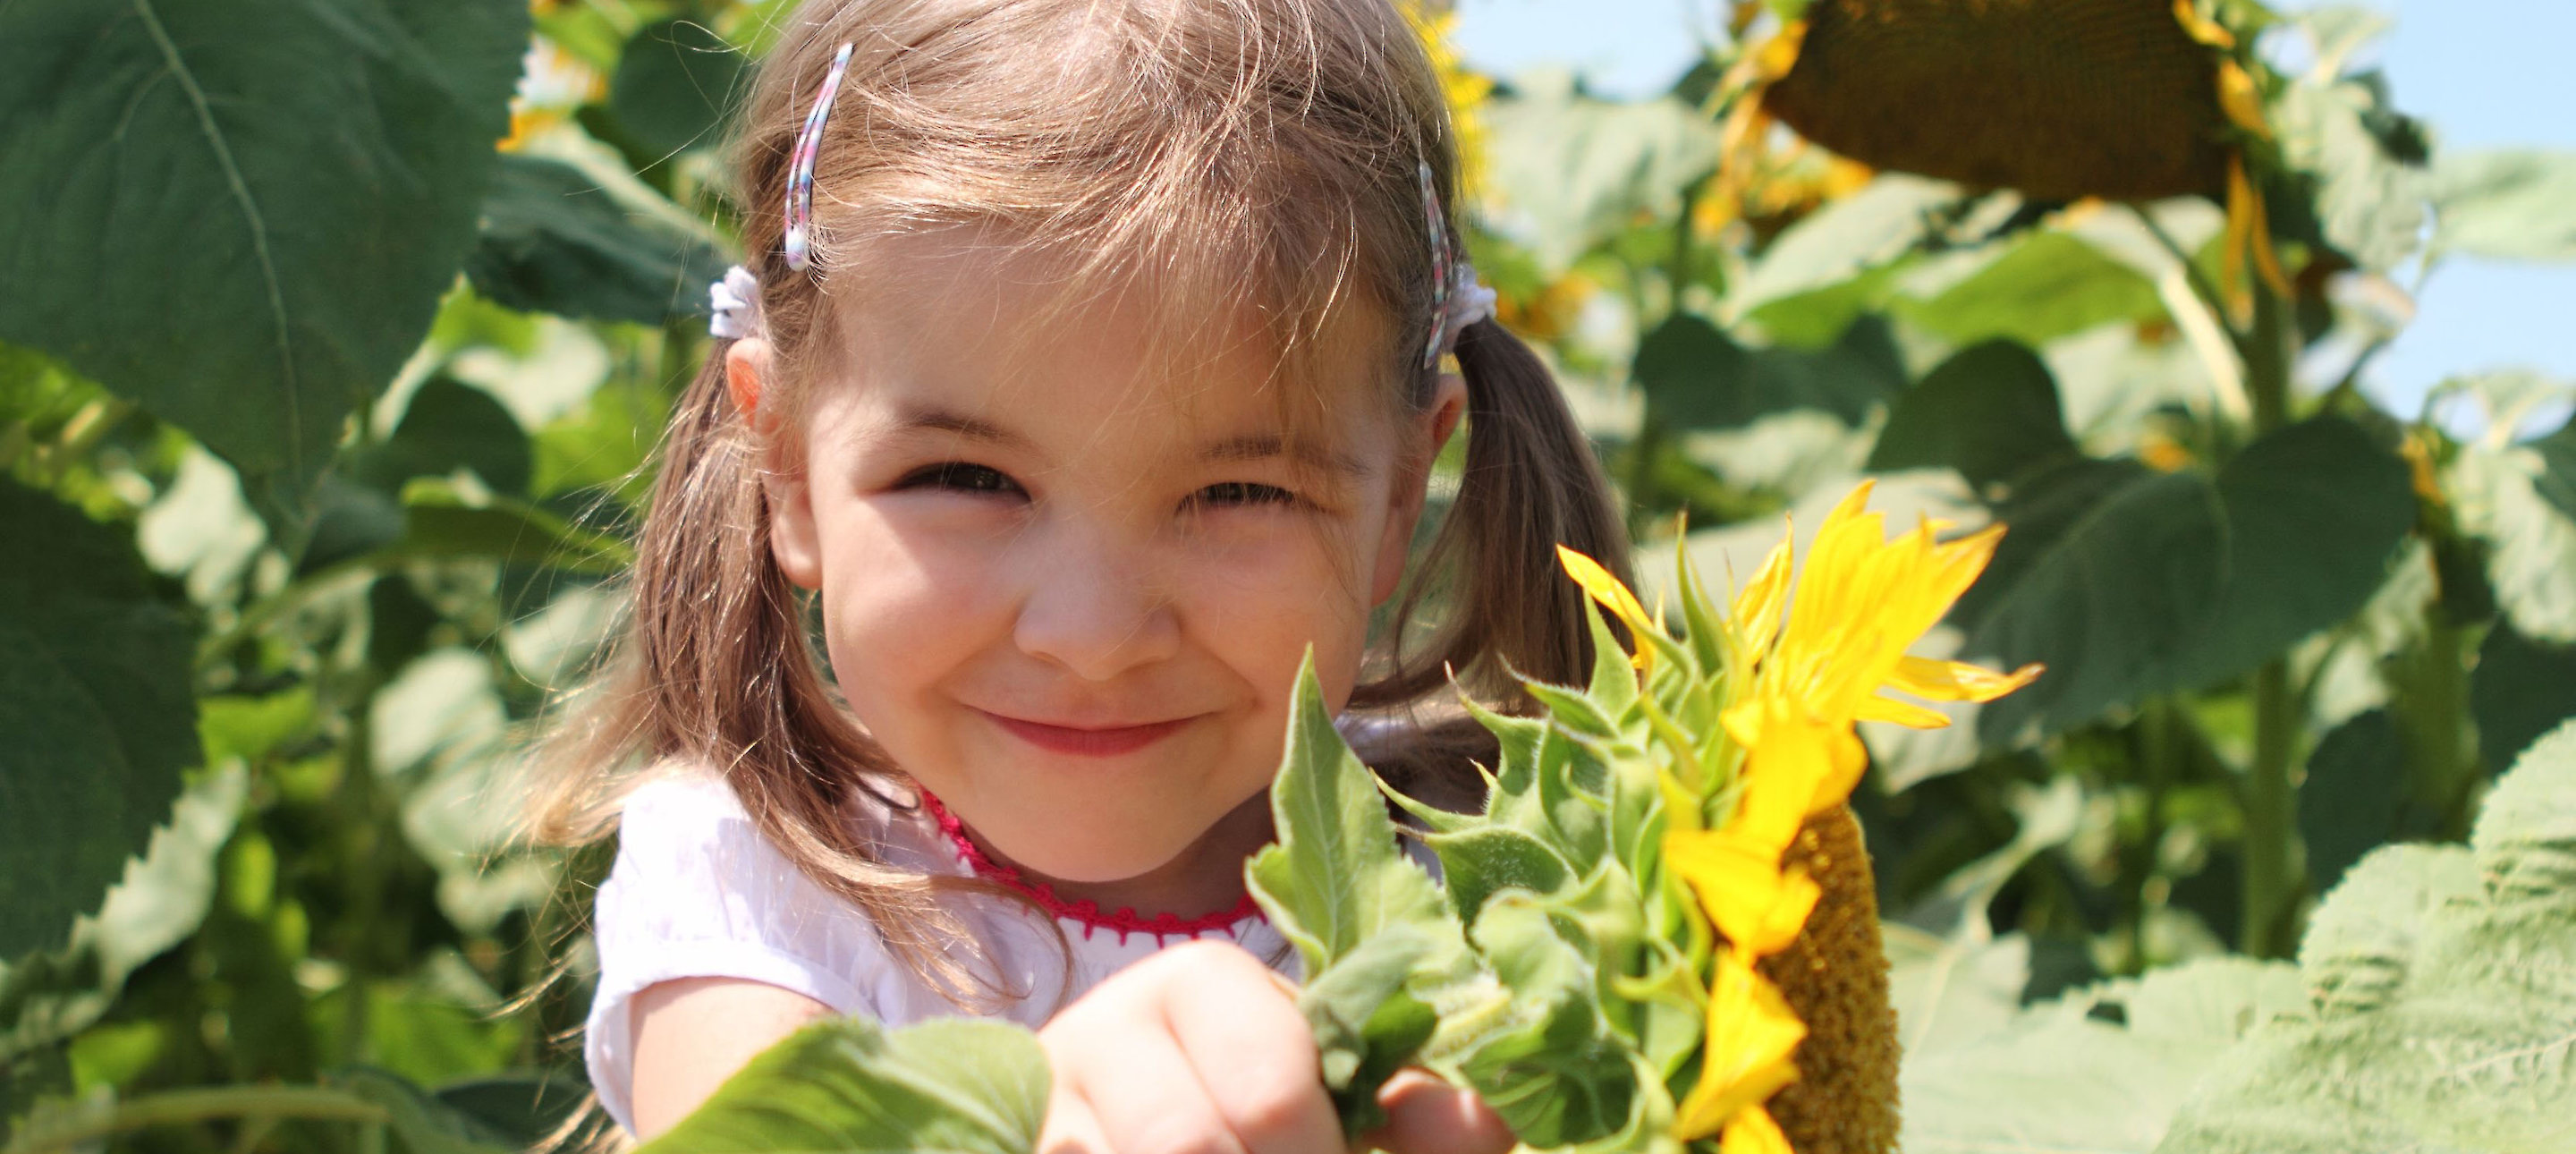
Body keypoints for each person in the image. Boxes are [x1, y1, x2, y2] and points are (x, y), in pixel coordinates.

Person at [524, 0, 1633, 1150]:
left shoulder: (1507, 878)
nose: (1093, 632)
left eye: (1238, 493)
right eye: (965, 477)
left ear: (1400, 494)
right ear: (791, 470)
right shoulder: (760, 898)